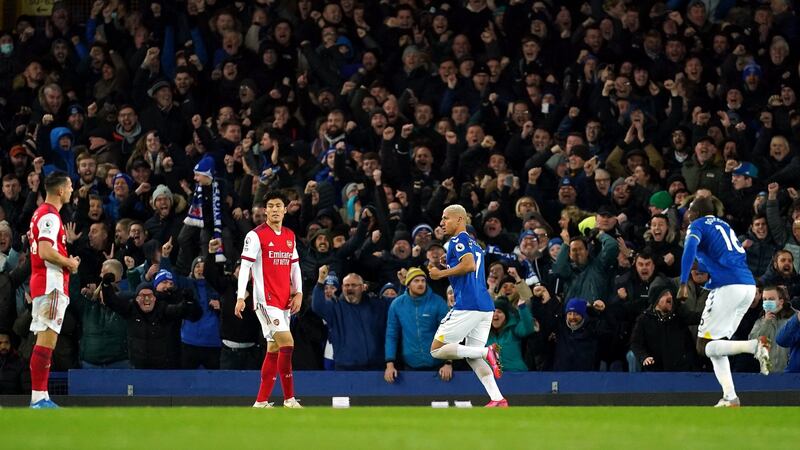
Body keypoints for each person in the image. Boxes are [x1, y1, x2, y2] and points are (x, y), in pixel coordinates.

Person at [678, 196, 771, 407]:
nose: (687, 214)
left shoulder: (697, 225)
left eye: (690, 210)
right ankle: (730, 397)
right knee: (718, 344)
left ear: (696, 212)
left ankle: (755, 346)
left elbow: (689, 249)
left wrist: (683, 282)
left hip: (728, 287)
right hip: (747, 286)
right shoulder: (724, 226)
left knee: (705, 346)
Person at [427, 204, 506, 407]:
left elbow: (468, 266)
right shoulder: (474, 244)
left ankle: (487, 352)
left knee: (437, 350)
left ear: (460, 220)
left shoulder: (458, 240)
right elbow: (471, 267)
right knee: (472, 356)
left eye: (446, 218)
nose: (442, 223)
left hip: (468, 305)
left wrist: (440, 274)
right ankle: (498, 398)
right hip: (485, 306)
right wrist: (451, 264)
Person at [236, 190, 303, 408]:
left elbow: (295, 267)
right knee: (288, 343)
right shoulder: (255, 235)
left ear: (285, 209)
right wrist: (240, 297)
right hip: (265, 302)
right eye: (271, 206)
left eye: (278, 206)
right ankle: (289, 399)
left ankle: (261, 401)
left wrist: (299, 292)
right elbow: (245, 266)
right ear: (265, 211)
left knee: (273, 349)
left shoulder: (290, 236)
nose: (275, 210)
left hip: (284, 303)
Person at [27, 171, 80, 408]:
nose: (71, 190)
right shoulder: (50, 216)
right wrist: (70, 263)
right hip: (51, 283)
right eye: (69, 186)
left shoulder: (41, 213)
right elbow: (46, 251)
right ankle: (38, 399)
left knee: (44, 340)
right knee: (46, 342)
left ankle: (41, 396)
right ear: (60, 190)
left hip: (43, 282)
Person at [384, 267, 450, 383]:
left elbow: (449, 333)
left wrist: (448, 362)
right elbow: (391, 335)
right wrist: (390, 364)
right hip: (410, 365)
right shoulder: (397, 304)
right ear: (408, 284)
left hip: (438, 365)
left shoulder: (438, 302)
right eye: (416, 281)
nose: (421, 284)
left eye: (423, 280)